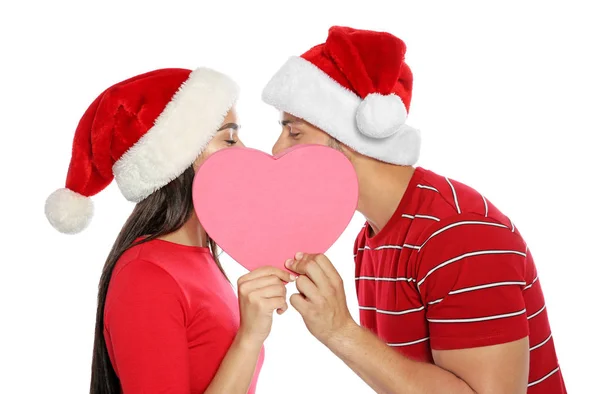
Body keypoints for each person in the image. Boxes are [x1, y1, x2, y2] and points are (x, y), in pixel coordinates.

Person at [262, 26, 567, 393]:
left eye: (294, 132)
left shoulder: (459, 233)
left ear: (347, 138)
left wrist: (339, 330)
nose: (276, 151)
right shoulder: (369, 240)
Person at [44, 67, 295, 394]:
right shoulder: (146, 276)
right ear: (177, 160)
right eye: (229, 139)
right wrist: (248, 338)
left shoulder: (201, 259)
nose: (245, 151)